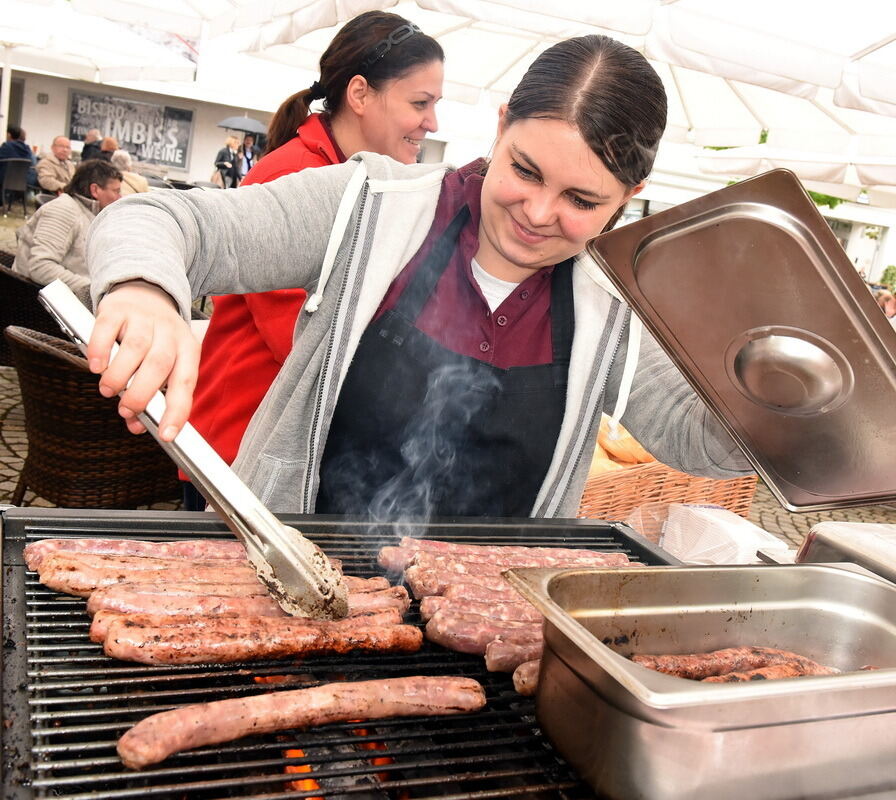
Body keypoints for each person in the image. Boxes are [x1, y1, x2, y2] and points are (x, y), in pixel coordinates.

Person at [86, 34, 752, 520]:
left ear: (630, 195)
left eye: (583, 202)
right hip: (290, 588)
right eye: (523, 170)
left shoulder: (612, 307)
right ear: (501, 127)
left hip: (480, 642)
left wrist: (787, 394)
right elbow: (168, 220)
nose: (540, 215)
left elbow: (699, 439)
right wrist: (145, 291)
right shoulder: (371, 204)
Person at [182, 10, 443, 510]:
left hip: (301, 447)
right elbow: (301, 336)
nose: (432, 122)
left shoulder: (369, 181)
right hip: (241, 447)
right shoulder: (290, 177)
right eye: (420, 103)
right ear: (361, 94)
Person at [14, 159, 122, 299]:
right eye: (116, 191)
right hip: (38, 303)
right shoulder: (63, 211)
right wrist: (95, 290)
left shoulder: (88, 213)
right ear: (95, 190)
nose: (120, 197)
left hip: (65, 296)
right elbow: (40, 267)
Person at [0, 125, 38, 190]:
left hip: (4, 183)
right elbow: (34, 167)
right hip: (24, 185)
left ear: (9, 135)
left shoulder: (6, 147)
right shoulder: (28, 150)